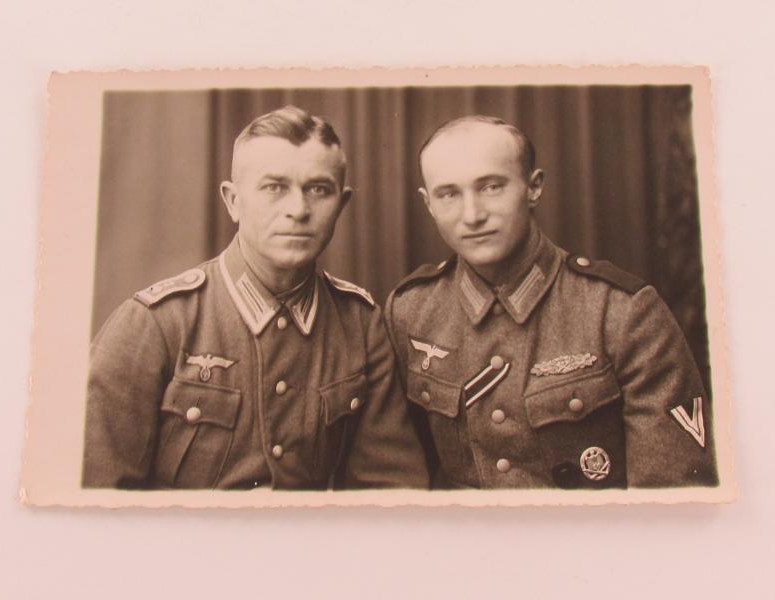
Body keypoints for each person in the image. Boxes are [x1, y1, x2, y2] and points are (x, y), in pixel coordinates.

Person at [83, 105, 428, 490]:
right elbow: (97, 497)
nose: (298, 210)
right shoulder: (156, 323)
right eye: (274, 187)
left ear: (341, 205)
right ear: (233, 201)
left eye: (319, 190)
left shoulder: (361, 324)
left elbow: (390, 489)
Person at [385, 115, 717, 489]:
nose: (472, 215)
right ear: (428, 204)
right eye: (449, 194)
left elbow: (669, 495)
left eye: (492, 187)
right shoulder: (410, 311)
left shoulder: (622, 311)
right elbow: (400, 474)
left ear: (534, 187)